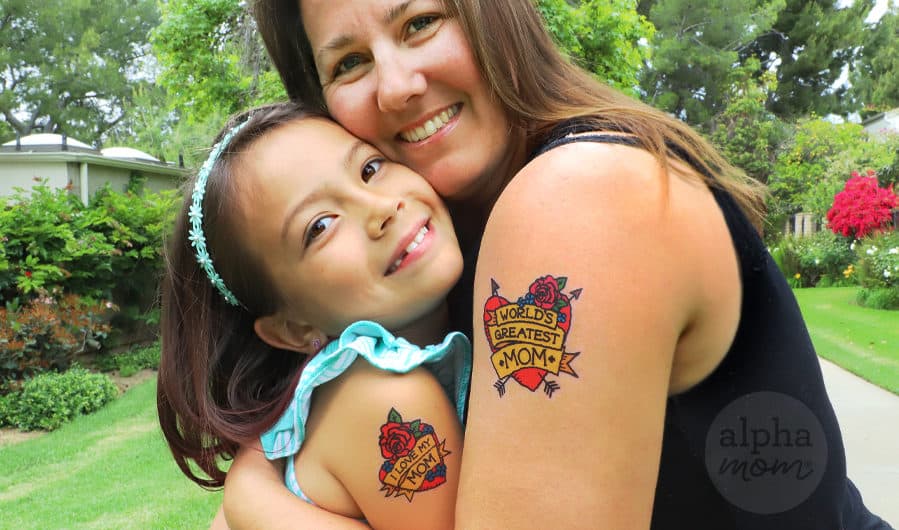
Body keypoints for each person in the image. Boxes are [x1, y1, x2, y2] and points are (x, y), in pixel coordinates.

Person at [222, 1, 894, 528]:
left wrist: (256, 505)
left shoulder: (572, 199)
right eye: (348, 64)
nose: (396, 87)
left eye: (420, 22)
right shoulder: (440, 247)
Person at [157, 102, 474, 529]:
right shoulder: (389, 395)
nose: (379, 208)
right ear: (293, 328)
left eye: (369, 168)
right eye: (320, 226)